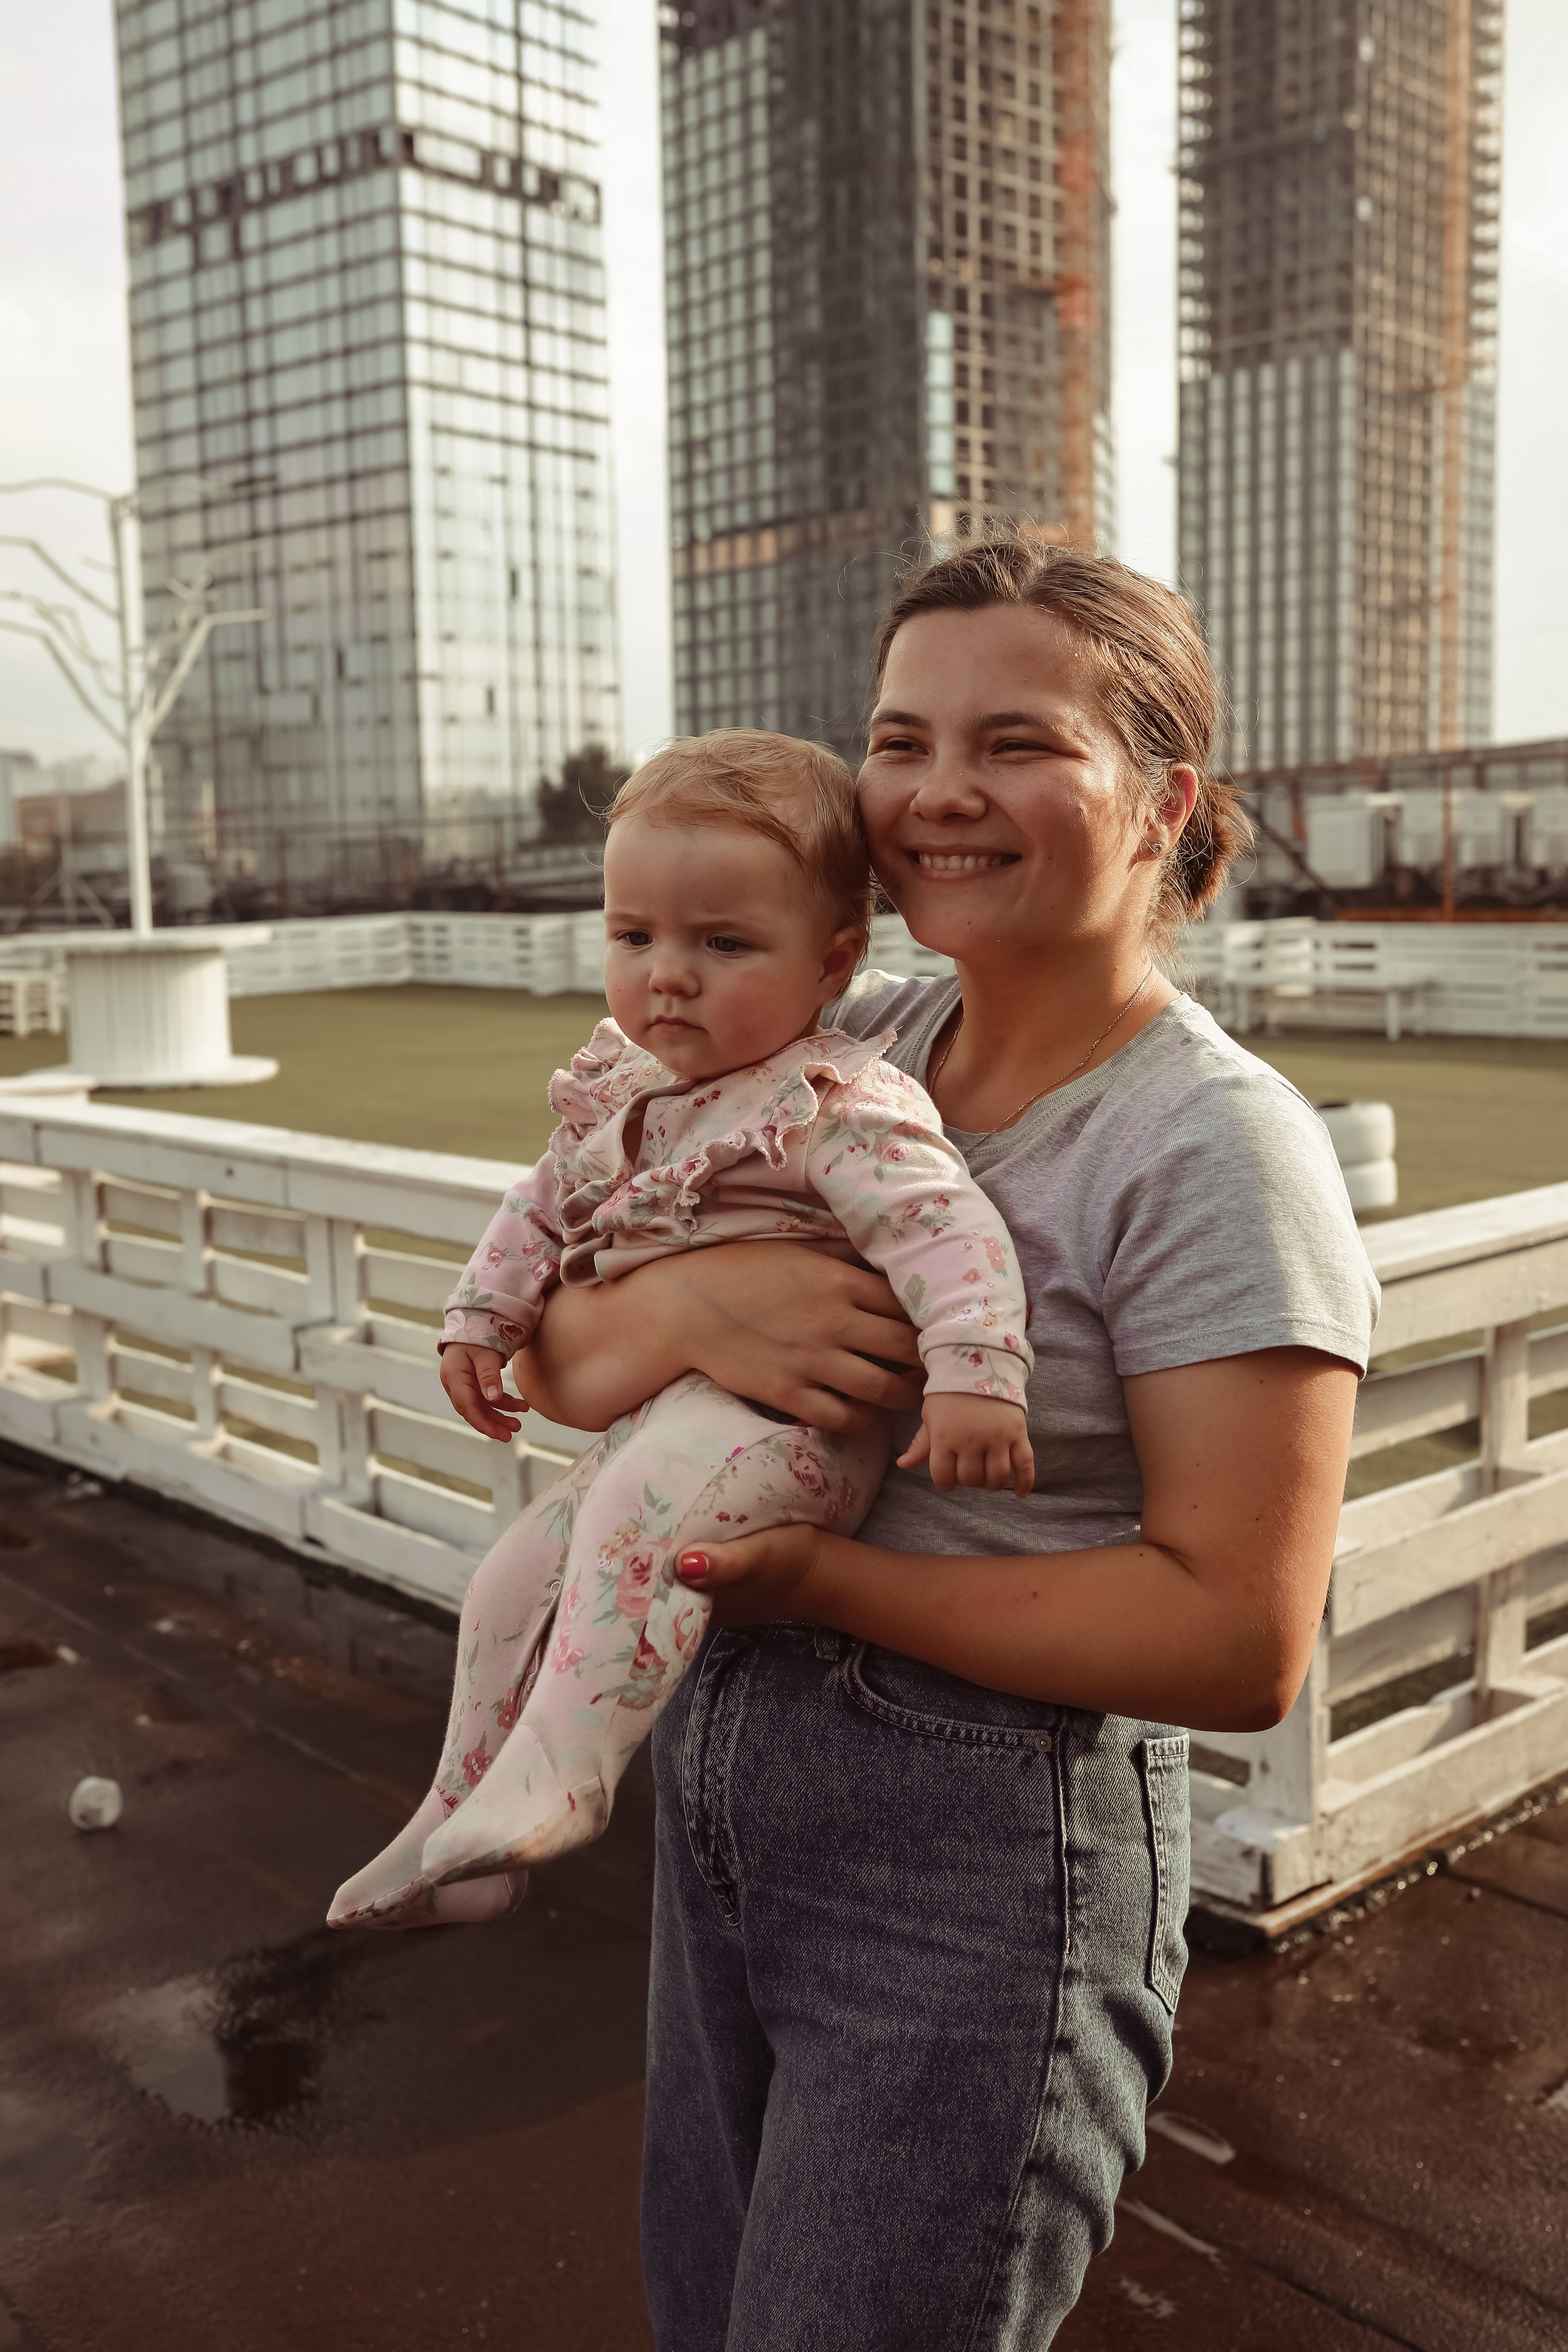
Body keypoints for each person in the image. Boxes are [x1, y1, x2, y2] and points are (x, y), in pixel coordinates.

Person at [511, 539, 1379, 2350]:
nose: (934, 797)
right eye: (900, 740)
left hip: (985, 1868)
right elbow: (563, 1351)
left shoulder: (1209, 1147)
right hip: (729, 1801)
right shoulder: (854, 1028)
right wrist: (685, 1315)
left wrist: (828, 1578)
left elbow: (1236, 1635)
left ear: (1163, 802)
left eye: (1016, 743)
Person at [327, 729, 1035, 1934]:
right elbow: (536, 1208)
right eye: (633, 936)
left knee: (631, 1502)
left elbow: (944, 1231)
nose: (667, 976)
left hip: (797, 1433)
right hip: (671, 1410)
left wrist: (976, 1375)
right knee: (509, 1578)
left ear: (832, 962)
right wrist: (477, 1318)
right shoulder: (624, 1095)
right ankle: (458, 1817)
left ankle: (572, 1772)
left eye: (722, 944)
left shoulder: (836, 1099)